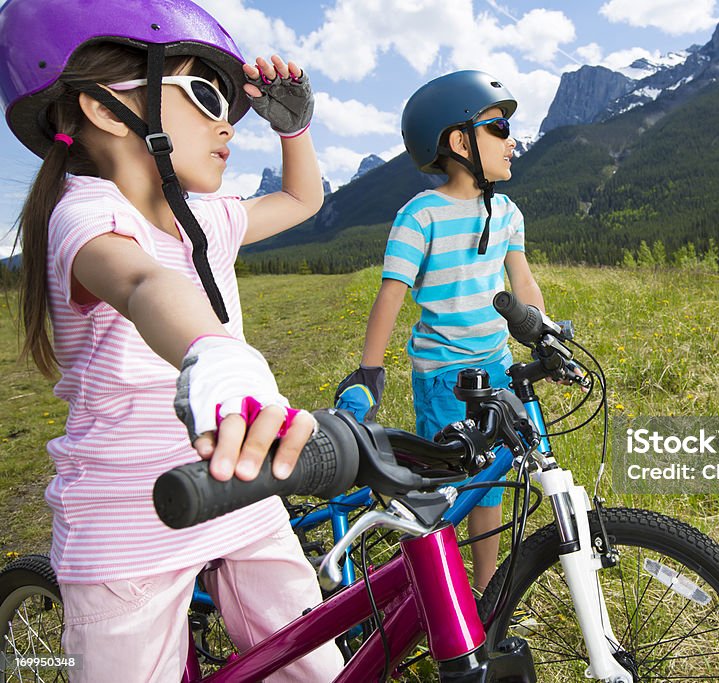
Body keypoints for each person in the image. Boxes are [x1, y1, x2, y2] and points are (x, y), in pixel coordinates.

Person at [0, 0, 344, 680]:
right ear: (105, 108)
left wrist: (294, 129)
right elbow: (140, 283)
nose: (227, 122)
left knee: (314, 662)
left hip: (239, 485)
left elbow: (303, 202)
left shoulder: (207, 218)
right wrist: (214, 350)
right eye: (204, 94)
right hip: (130, 519)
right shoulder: (85, 214)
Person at [335, 70, 547, 592]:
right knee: (453, 482)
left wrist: (542, 335)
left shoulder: (508, 212)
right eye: (499, 128)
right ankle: (440, 589)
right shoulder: (420, 215)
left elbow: (521, 280)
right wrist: (370, 369)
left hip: (494, 362)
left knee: (493, 481)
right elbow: (392, 292)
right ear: (459, 141)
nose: (512, 140)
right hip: (445, 375)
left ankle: (485, 590)